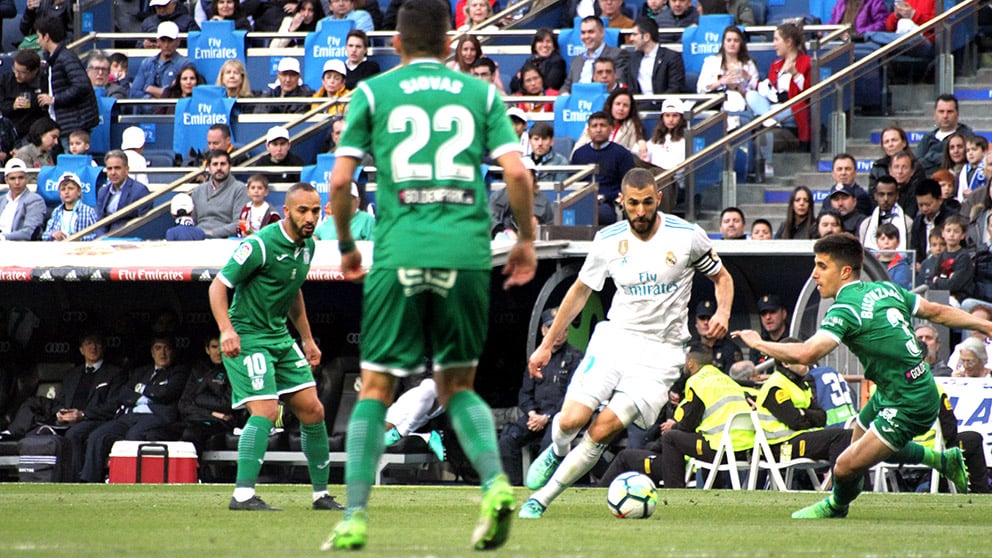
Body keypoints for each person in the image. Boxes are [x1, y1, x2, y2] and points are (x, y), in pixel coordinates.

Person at [325, 0, 537, 548]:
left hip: (400, 252)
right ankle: (494, 483)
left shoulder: (372, 93)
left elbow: (341, 182)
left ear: (395, 45)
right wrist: (527, 240)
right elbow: (516, 171)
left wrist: (348, 246)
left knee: (375, 387)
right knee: (457, 385)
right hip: (465, 255)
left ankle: (353, 516)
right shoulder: (482, 93)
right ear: (450, 46)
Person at [519, 167, 733, 516]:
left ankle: (541, 498)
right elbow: (580, 291)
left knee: (601, 430)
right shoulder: (608, 240)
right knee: (572, 420)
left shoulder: (687, 236)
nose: (640, 211)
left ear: (658, 199)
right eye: (633, 203)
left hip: (661, 355)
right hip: (615, 339)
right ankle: (558, 449)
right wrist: (545, 345)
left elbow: (721, 277)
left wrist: (723, 311)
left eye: (647, 202)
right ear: (622, 201)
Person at [733, 232, 979, 519]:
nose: (814, 274)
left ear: (845, 271)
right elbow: (937, 311)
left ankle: (837, 506)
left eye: (822, 266)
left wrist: (757, 342)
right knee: (855, 442)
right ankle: (940, 460)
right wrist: (985, 326)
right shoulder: (886, 290)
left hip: (908, 400)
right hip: (904, 385)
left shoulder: (845, 309)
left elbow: (806, 355)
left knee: (844, 466)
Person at [208, 181, 341, 511]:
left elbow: (293, 291)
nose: (310, 217)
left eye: (315, 211)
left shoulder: (308, 247)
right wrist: (226, 331)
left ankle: (320, 494)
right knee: (267, 410)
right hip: (248, 336)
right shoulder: (261, 245)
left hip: (280, 338)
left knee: (313, 410)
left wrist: (307, 338)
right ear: (287, 211)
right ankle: (242, 496)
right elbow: (217, 286)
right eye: (302, 211)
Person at [78, 335, 190, 483]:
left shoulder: (179, 372)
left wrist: (141, 389)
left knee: (134, 435)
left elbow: (166, 394)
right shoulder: (140, 372)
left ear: (173, 352)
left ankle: (130, 480)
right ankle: (89, 482)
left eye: (166, 348)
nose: (162, 353)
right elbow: (123, 394)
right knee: (98, 435)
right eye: (158, 348)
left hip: (157, 417)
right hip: (130, 416)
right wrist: (147, 395)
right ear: (152, 352)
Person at [498, 308, 580, 485]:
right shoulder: (537, 358)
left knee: (548, 448)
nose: (558, 333)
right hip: (535, 417)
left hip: (560, 417)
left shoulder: (575, 357)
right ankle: (514, 489)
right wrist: (532, 413)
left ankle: (544, 492)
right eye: (552, 328)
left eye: (562, 328)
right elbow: (525, 394)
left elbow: (572, 397)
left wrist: (547, 417)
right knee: (507, 440)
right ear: (544, 330)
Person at [753, 340, 852, 482]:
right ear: (786, 363)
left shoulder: (801, 384)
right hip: (781, 447)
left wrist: (803, 413)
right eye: (799, 357)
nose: (805, 359)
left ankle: (858, 491)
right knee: (840, 437)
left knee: (851, 437)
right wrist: (807, 416)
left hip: (799, 440)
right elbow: (795, 421)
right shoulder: (775, 386)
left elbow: (822, 417)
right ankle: (844, 491)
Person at [658, 343, 752, 488]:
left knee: (670, 438)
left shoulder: (697, 381)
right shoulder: (727, 379)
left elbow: (688, 424)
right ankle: (715, 490)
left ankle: (674, 491)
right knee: (704, 436)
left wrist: (674, 425)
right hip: (746, 449)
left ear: (690, 363)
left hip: (721, 449)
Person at [745, 22, 812, 177]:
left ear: (788, 42)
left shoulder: (807, 61)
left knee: (769, 112)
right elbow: (768, 90)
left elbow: (809, 93)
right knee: (751, 95)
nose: (773, 44)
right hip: (774, 106)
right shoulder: (775, 64)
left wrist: (795, 74)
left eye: (776, 40)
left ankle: (767, 118)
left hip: (793, 107)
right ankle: (769, 120)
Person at [35, 16, 100, 149]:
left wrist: (54, 99)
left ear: (46, 37)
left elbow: (81, 86)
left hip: (74, 125)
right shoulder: (53, 59)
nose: (38, 41)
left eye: (39, 37)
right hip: (63, 124)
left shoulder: (66, 58)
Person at [570, 111, 636, 225]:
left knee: (598, 213)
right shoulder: (579, 154)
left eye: (603, 125)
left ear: (611, 129)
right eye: (594, 126)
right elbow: (572, 183)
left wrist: (606, 197)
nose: (598, 129)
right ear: (588, 130)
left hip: (609, 203)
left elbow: (628, 185)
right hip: (582, 201)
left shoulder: (622, 154)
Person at [696, 24, 758, 127]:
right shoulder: (711, 62)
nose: (732, 44)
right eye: (728, 40)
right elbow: (701, 89)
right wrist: (721, 82)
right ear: (723, 43)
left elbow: (755, 93)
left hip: (741, 104)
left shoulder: (749, 64)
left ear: (741, 44)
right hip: (716, 104)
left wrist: (744, 81)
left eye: (736, 41)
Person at [560, 15, 629, 94]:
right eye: (583, 33)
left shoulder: (618, 55)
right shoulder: (576, 60)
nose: (586, 36)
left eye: (591, 32)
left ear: (602, 32)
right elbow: (566, 86)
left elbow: (618, 84)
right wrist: (565, 94)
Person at [191, 150, 250, 238]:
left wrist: (212, 233)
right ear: (209, 168)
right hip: (198, 238)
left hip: (224, 240)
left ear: (230, 166)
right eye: (215, 164)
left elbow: (240, 223)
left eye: (223, 164)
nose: (219, 168)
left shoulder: (240, 189)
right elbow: (192, 221)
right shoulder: (198, 191)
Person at [573, 89, 646, 158]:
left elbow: (633, 154)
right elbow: (577, 150)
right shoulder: (595, 123)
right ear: (610, 105)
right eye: (618, 104)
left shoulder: (633, 126)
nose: (621, 108)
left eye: (625, 105)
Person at [95, 150, 152, 236]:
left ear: (126, 169)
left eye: (117, 168)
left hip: (129, 238)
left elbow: (144, 225)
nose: (113, 173)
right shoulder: (103, 192)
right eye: (109, 169)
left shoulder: (140, 191)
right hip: (105, 240)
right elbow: (100, 222)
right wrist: (102, 240)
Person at [627, 17, 685, 102]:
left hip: (665, 108)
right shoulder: (633, 59)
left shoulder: (671, 57)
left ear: (647, 37)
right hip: (639, 107)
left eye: (634, 35)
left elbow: (675, 88)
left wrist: (657, 103)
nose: (631, 39)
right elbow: (631, 88)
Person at [130, 21, 190, 102]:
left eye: (170, 40)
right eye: (163, 40)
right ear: (158, 41)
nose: (166, 45)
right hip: (146, 112)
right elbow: (134, 93)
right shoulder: (146, 63)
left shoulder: (185, 65)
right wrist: (152, 97)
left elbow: (177, 95)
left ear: (178, 41)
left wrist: (150, 89)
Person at [916, 95, 974, 178]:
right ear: (935, 114)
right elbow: (918, 163)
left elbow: (959, 159)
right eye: (941, 111)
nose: (945, 116)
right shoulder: (927, 138)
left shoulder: (966, 136)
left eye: (949, 112)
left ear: (957, 114)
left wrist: (930, 156)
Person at [0, 49, 48, 146]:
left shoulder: (44, 80)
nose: (17, 75)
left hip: (34, 132)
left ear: (34, 71)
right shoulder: (6, 79)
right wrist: (13, 105)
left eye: (22, 72)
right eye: (15, 70)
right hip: (10, 130)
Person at [928, 214, 974, 305]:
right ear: (943, 233)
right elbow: (930, 279)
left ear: (962, 235)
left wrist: (938, 280)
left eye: (956, 232)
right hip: (939, 295)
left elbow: (954, 284)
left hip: (958, 298)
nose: (952, 235)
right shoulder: (941, 255)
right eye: (948, 231)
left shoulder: (963, 257)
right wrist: (946, 280)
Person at [910, 178, 956, 268]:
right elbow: (915, 250)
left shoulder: (951, 220)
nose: (924, 209)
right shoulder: (918, 222)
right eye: (920, 205)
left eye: (928, 204)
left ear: (939, 200)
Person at [859, 175, 911, 251]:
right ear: (875, 196)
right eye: (881, 194)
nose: (886, 199)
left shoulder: (908, 223)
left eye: (890, 194)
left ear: (897, 196)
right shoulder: (866, 224)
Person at [42, 172, 99, 241]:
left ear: (79, 192)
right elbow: (45, 235)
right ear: (60, 194)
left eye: (70, 188)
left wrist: (80, 239)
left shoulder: (88, 211)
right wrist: (53, 234)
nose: (66, 192)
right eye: (63, 189)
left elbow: (98, 235)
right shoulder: (57, 211)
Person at [692, 299, 742, 373]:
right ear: (696, 322)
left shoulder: (730, 349)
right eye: (702, 318)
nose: (706, 322)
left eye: (710, 318)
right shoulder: (690, 348)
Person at [509, 28, 566, 93]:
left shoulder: (558, 62)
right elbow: (513, 85)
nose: (545, 45)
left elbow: (550, 85)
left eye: (548, 41)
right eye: (541, 41)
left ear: (554, 46)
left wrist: (526, 83)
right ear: (535, 46)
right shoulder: (530, 61)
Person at [645, 99, 687, 172]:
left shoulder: (685, 138)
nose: (670, 119)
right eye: (667, 115)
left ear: (681, 118)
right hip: (655, 176)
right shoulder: (657, 137)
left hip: (673, 178)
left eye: (675, 116)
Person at [868, 126, 913, 192]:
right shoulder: (877, 168)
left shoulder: (915, 165)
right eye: (886, 142)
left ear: (904, 143)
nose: (890, 144)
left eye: (894, 140)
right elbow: (873, 195)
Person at [748, 294, 788, 365]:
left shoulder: (795, 337)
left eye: (772, 312)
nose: (768, 317)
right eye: (764, 313)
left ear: (784, 314)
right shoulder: (758, 342)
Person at [890, 149, 926, 219]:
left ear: (912, 171)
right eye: (896, 167)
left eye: (904, 167)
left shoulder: (917, 192)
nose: (900, 171)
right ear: (890, 171)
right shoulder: (885, 191)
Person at [874, 222, 912, 289]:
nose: (886, 242)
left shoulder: (903, 267)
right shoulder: (871, 263)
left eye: (890, 238)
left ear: (898, 242)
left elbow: (898, 290)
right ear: (877, 242)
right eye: (882, 239)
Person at [957, 135, 988, 204]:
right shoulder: (965, 169)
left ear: (984, 152)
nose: (970, 153)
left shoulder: (987, 168)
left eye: (974, 149)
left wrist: (974, 195)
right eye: (968, 151)